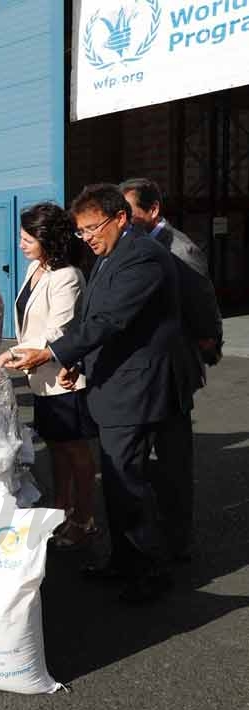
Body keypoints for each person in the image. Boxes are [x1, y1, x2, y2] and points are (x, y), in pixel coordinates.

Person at [7, 184, 194, 604]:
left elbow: (110, 320)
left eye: (93, 228)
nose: (87, 237)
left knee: (129, 481)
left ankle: (150, 572)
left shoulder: (142, 256)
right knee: (116, 481)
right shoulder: (110, 257)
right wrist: (75, 362)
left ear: (121, 219)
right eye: (81, 231)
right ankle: (124, 561)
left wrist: (54, 352)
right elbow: (93, 320)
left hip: (136, 388)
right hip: (115, 383)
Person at [120, 177, 223, 560]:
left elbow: (203, 308)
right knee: (148, 459)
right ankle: (154, 529)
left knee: (174, 458)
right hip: (144, 371)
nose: (123, 220)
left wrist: (204, 349)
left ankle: (178, 540)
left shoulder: (180, 249)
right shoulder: (135, 245)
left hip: (173, 369)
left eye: (128, 212)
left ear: (154, 210)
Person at [0, 202, 98, 548]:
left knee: (76, 453)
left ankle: (85, 518)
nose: (21, 244)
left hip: (63, 377)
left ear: (48, 239)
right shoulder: (34, 268)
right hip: (40, 379)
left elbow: (57, 331)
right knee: (56, 449)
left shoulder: (67, 276)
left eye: (27, 238)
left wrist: (10, 353)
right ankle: (61, 512)